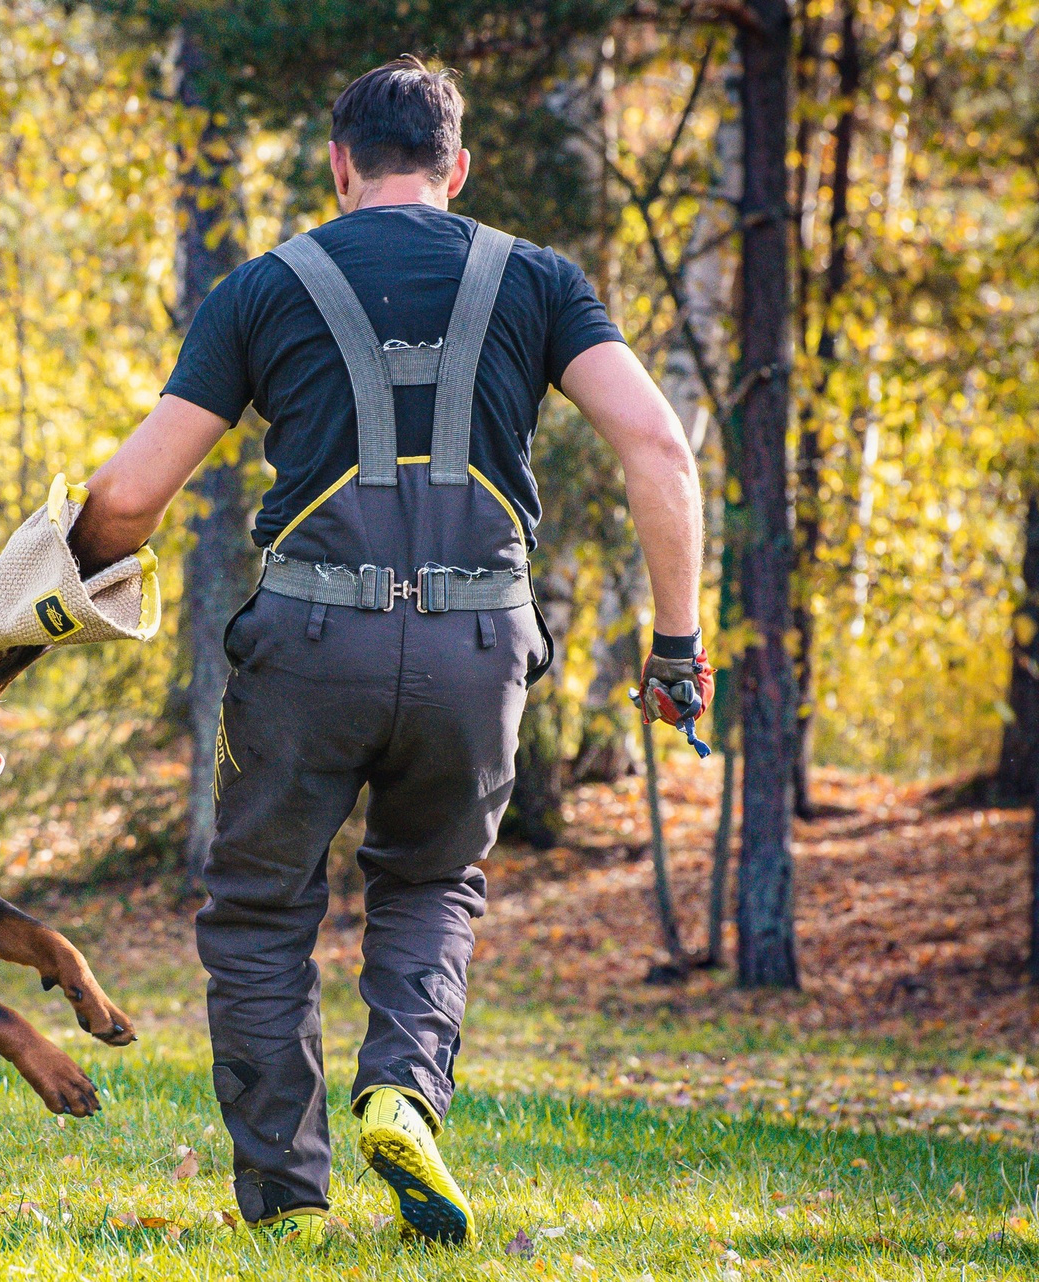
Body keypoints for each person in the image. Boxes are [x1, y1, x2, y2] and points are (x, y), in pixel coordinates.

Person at [63, 56, 711, 1246]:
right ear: (456, 169)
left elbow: (133, 493)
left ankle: (292, 1206)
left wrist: (54, 580)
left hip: (310, 644)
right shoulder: (540, 280)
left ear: (340, 166)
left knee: (261, 910)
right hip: (478, 645)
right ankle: (404, 1091)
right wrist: (677, 649)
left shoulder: (266, 287)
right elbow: (660, 450)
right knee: (428, 882)